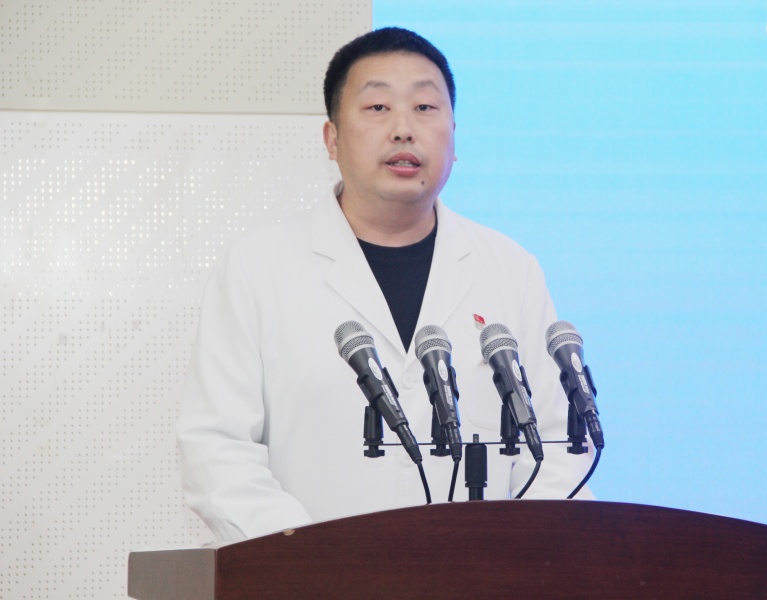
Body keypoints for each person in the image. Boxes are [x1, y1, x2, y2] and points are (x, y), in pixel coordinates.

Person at [177, 27, 595, 544]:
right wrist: (310, 561)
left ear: (454, 136)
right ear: (332, 139)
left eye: (424, 107)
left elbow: (559, 444)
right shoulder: (258, 268)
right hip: (312, 575)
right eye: (378, 107)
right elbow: (217, 449)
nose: (403, 129)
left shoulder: (510, 268)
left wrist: (514, 560)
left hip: (482, 573)